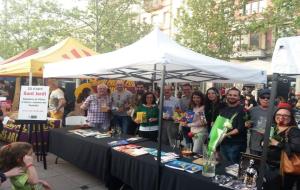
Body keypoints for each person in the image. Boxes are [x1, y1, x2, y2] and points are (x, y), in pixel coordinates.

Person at [266, 104, 300, 190]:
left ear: (290, 117)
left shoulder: (294, 131)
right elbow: (266, 141)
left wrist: (277, 144)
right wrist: (263, 142)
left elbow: (297, 148)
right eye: (279, 115)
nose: (281, 117)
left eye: (285, 115)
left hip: (284, 169)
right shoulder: (273, 127)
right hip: (269, 166)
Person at [220, 87, 247, 164]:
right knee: (225, 165)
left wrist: (225, 135)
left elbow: (239, 129)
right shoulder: (223, 109)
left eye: (235, 95)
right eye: (230, 95)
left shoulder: (242, 110)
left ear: (239, 97)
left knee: (234, 168)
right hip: (224, 143)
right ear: (226, 95)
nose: (232, 97)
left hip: (236, 144)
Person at [246, 88, 270, 156]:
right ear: (259, 98)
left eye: (268, 97)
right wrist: (247, 124)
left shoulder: (277, 110)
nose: (266, 99)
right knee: (254, 165)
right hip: (254, 145)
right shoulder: (252, 110)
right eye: (263, 97)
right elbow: (248, 123)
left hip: (270, 146)